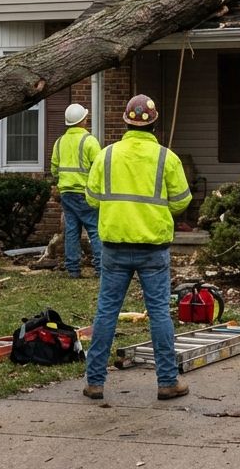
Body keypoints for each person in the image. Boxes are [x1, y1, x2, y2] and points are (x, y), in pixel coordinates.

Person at [83, 94, 192, 402]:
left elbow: (91, 198)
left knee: (106, 312)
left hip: (114, 246)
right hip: (153, 247)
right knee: (159, 313)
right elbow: (183, 200)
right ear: (154, 124)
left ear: (125, 122)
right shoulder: (165, 158)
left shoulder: (106, 156)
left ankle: (94, 382)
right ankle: (167, 381)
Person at [50, 102, 102, 279]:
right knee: (95, 230)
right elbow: (99, 167)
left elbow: (54, 169)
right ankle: (101, 269)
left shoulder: (59, 142)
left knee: (72, 231)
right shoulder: (89, 141)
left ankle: (73, 269)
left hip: (66, 193)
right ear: (83, 120)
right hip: (86, 193)